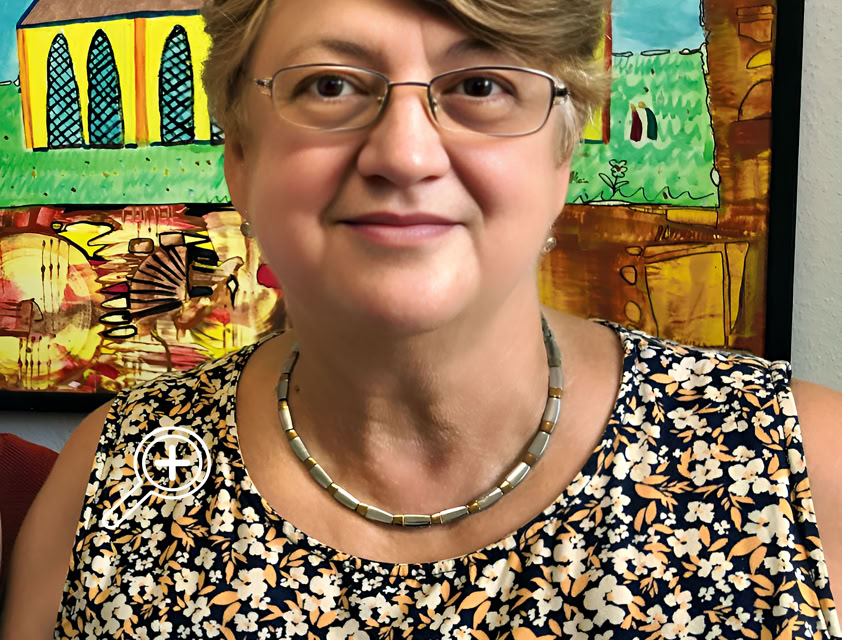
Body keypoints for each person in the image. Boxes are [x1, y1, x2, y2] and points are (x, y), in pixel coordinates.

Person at [2, 0, 841, 637]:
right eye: (329, 85)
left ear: (562, 155)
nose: (404, 155)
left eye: (481, 86)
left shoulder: (807, 467)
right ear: (242, 160)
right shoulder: (111, 479)